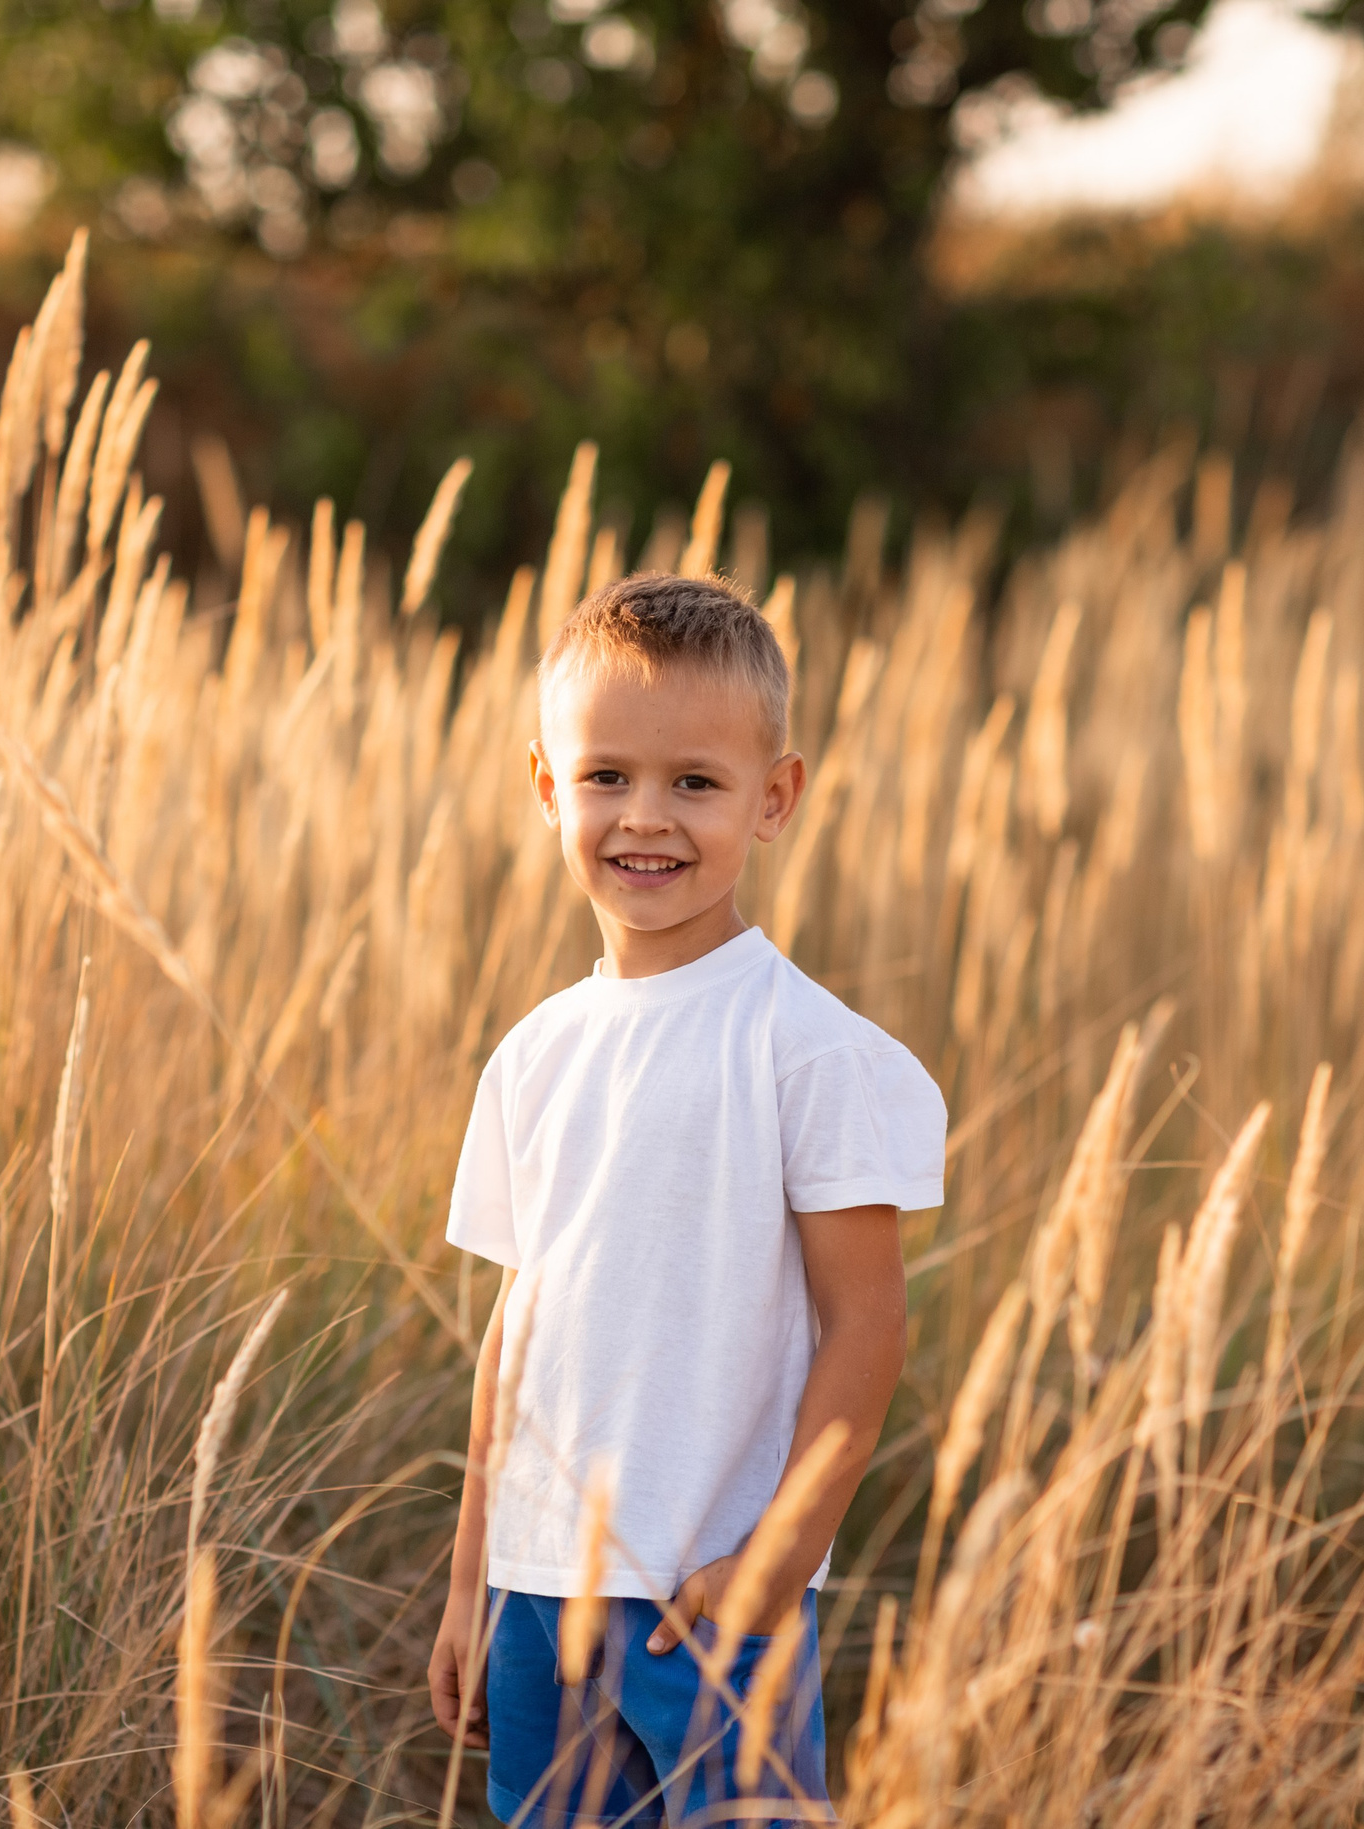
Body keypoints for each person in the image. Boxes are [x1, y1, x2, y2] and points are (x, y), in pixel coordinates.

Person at [426, 572, 948, 1826]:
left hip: (711, 1597)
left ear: (773, 799)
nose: (643, 817)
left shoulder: (804, 1050)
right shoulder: (534, 1054)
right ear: (547, 785)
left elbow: (866, 1327)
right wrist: (470, 1579)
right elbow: (518, 1330)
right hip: (538, 1593)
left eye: (694, 783)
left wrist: (773, 1559)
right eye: (605, 775)